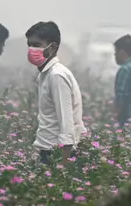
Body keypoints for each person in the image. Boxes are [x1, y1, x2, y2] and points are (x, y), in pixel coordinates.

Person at [26, 21, 87, 165]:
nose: (31, 49)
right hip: (48, 150)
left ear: (52, 47)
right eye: (29, 45)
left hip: (55, 153)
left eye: (36, 45)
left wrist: (62, 166)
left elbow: (66, 124)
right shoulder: (45, 75)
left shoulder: (56, 76)